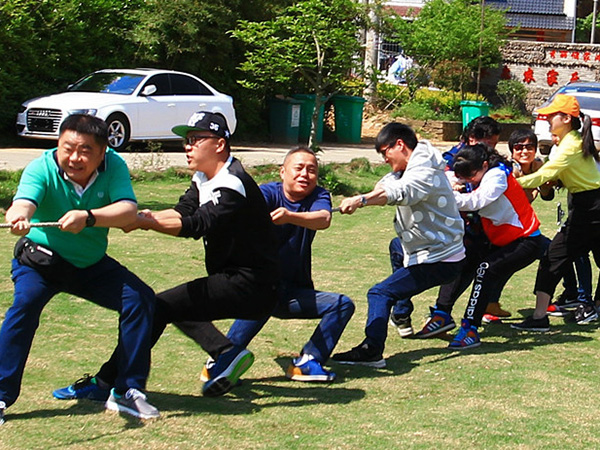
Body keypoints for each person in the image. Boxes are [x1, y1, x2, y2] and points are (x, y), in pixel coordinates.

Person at [53, 111, 280, 400]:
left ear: (220, 144)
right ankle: (225, 353)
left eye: (196, 139)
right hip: (235, 278)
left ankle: (107, 382)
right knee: (169, 304)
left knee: (159, 305)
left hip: (254, 284)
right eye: (187, 140)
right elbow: (183, 211)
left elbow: (196, 225)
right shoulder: (204, 177)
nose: (187, 146)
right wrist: (142, 217)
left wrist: (143, 222)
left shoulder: (232, 183)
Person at [0, 114, 158, 424]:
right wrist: (19, 217)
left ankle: (127, 391)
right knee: (25, 306)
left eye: (85, 150)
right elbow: (23, 203)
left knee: (140, 299)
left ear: (103, 152)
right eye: (68, 148)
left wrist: (88, 217)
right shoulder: (41, 167)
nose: (74, 158)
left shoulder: (114, 166)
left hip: (90, 264)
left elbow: (128, 211)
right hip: (41, 262)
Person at [193, 147, 355, 383]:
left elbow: (323, 219)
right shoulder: (267, 193)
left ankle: (308, 362)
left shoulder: (318, 196)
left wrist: (290, 216)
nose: (305, 174)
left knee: (341, 305)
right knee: (265, 294)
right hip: (258, 286)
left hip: (292, 292)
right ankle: (221, 360)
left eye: (311, 170)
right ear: (283, 172)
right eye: (298, 168)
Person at [331, 122, 466, 367]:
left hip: (441, 258)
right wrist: (371, 194)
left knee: (380, 293)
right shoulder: (411, 166)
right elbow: (388, 183)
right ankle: (402, 314)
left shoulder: (424, 172)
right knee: (397, 246)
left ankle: (372, 351)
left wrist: (361, 200)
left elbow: (402, 191)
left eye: (385, 153)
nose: (384, 159)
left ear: (400, 145)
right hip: (433, 250)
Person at [426, 144, 545, 348]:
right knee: (463, 261)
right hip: (499, 239)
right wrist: (448, 182)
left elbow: (476, 201)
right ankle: (442, 314)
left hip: (525, 239)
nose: (469, 180)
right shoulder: (475, 171)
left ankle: (470, 328)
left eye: (471, 176)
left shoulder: (497, 175)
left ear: (483, 165)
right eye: (465, 177)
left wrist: (446, 197)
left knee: (485, 270)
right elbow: (451, 176)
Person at [511, 94, 600, 331]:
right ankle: (590, 307)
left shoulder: (570, 145)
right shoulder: (569, 142)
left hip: (590, 207)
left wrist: (508, 183)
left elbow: (544, 175)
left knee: (553, 256)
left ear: (566, 118)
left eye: (552, 115)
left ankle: (540, 317)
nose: (548, 118)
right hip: (587, 204)